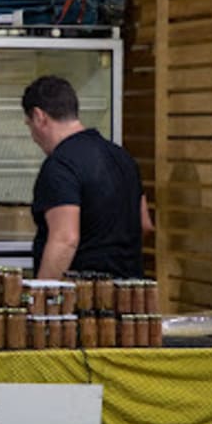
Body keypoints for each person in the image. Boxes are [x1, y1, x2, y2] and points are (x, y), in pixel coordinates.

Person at [21, 75, 154, 280]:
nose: (32, 136)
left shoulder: (60, 165)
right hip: (130, 297)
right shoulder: (122, 157)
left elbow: (65, 239)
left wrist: (41, 300)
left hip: (84, 300)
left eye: (29, 124)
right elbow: (144, 224)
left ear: (40, 117)